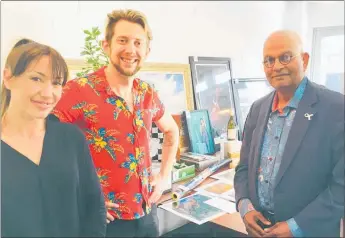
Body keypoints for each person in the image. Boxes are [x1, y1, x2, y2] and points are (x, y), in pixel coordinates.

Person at [52, 9, 179, 238]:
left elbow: (172, 131)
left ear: (146, 51)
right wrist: (77, 196)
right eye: (122, 40)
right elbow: (41, 141)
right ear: (106, 45)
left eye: (138, 43)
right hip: (106, 222)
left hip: (148, 214)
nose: (131, 50)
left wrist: (163, 177)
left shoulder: (147, 93)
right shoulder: (79, 91)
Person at [234, 30, 344, 237]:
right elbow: (243, 168)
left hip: (310, 231)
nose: (276, 66)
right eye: (269, 60)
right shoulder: (257, 109)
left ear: (304, 60)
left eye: (285, 57)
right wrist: (244, 207)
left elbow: (341, 186)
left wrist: (296, 227)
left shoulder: (337, 108)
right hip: (260, 230)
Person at [1, 39, 106, 237]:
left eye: (56, 83)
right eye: (36, 79)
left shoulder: (71, 139)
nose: (48, 94)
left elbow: (94, 206)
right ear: (8, 78)